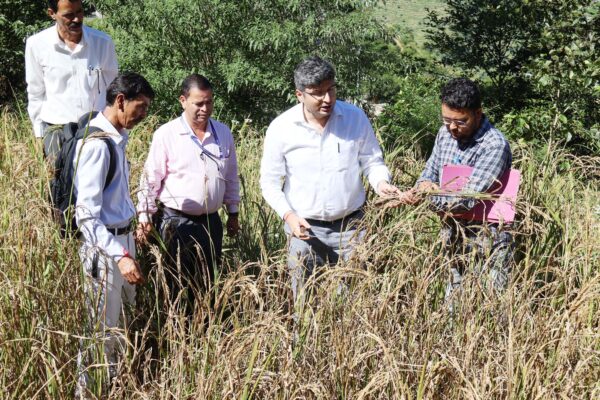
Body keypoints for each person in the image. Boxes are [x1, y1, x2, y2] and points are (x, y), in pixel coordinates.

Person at [260, 56, 400, 306]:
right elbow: (269, 183)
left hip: (352, 230)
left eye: (331, 90)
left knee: (354, 304)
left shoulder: (355, 117)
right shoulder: (281, 128)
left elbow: (372, 161)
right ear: (299, 94)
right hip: (304, 232)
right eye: (317, 93)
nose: (327, 99)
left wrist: (381, 184)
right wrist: (289, 216)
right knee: (304, 303)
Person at [397, 77, 513, 304]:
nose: (452, 127)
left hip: (488, 241)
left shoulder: (494, 145)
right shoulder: (444, 135)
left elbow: (467, 199)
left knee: (487, 306)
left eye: (460, 121)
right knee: (453, 303)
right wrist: (422, 186)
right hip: (453, 235)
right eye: (446, 119)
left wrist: (429, 194)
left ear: (478, 114)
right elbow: (429, 172)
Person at [74, 72, 154, 394]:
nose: (144, 115)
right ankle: (88, 393)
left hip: (124, 242)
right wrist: (120, 256)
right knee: (99, 333)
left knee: (120, 327)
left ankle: (115, 388)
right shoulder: (97, 146)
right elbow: (86, 217)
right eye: (142, 106)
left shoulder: (118, 140)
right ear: (120, 101)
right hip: (104, 252)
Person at [136, 74, 240, 315]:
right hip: (176, 221)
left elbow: (231, 176)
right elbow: (151, 179)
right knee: (175, 281)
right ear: (183, 101)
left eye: (209, 102)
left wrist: (233, 213)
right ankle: (175, 331)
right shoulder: (167, 134)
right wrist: (144, 217)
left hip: (211, 222)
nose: (205, 109)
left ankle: (204, 330)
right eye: (198, 103)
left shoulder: (223, 133)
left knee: (208, 280)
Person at [25, 0, 118, 158]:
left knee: (96, 180)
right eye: (69, 15)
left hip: (95, 129)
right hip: (55, 130)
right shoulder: (37, 44)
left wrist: (113, 128)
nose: (77, 19)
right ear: (52, 14)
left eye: (80, 12)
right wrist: (39, 134)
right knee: (57, 180)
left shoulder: (102, 43)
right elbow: (35, 92)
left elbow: (113, 89)